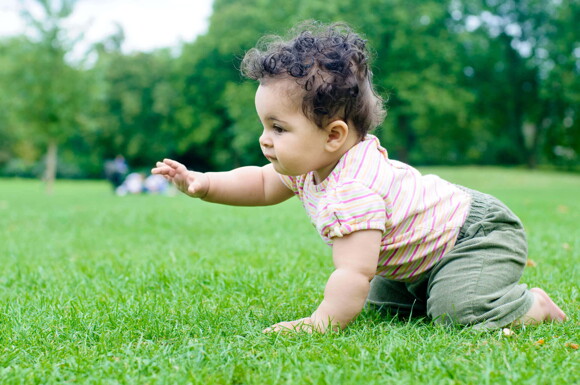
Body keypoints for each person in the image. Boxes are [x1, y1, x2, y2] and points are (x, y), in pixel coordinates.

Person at [152, 22, 567, 333]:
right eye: (264, 126)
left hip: (474, 235)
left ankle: (533, 305)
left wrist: (321, 322)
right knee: (384, 307)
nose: (265, 140)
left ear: (334, 135)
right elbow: (261, 184)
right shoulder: (310, 167)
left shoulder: (354, 188)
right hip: (424, 252)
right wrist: (203, 184)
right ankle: (428, 285)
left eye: (278, 129)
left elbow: (353, 271)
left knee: (458, 312)